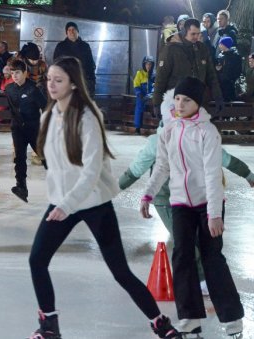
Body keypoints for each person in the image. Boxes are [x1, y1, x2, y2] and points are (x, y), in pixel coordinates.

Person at [28, 56, 180, 339]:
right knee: (37, 259)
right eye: (49, 78)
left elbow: (91, 170)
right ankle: (49, 325)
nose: (51, 84)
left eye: (58, 80)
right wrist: (60, 199)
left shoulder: (88, 117)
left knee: (120, 271)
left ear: (73, 83)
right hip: (63, 201)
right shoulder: (47, 116)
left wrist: (67, 205)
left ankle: (160, 322)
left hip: (93, 202)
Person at [120, 95, 254, 295]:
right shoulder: (159, 139)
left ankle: (200, 283)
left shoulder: (202, 134)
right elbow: (139, 167)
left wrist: (247, 173)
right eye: (175, 105)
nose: (179, 109)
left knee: (198, 242)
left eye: (184, 104)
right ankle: (199, 283)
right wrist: (118, 187)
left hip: (193, 198)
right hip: (164, 200)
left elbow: (223, 159)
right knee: (184, 243)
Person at [141, 77, 245, 337]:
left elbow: (212, 174)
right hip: (180, 203)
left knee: (212, 259)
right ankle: (189, 317)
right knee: (182, 257)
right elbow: (162, 166)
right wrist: (148, 195)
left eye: (186, 100)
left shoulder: (207, 132)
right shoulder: (169, 129)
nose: (180, 103)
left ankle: (232, 319)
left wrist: (214, 214)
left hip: (208, 203)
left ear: (198, 103)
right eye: (177, 98)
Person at [153, 19, 223, 116]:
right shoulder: (171, 49)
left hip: (198, 102)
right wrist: (156, 103)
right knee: (179, 130)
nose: (196, 37)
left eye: (198, 33)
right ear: (185, 32)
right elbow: (161, 77)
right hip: (177, 104)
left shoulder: (202, 49)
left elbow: (211, 75)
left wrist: (218, 97)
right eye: (193, 34)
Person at [4, 60, 47, 203]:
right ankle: (21, 187)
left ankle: (59, 182)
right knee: (20, 158)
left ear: (25, 73)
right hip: (18, 129)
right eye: (12, 73)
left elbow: (45, 107)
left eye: (17, 73)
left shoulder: (33, 89)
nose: (14, 76)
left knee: (45, 156)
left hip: (34, 128)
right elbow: (12, 109)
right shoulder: (9, 89)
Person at [53, 22, 96, 96]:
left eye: (73, 29)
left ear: (77, 31)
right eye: (69, 30)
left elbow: (90, 64)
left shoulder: (85, 46)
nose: (71, 32)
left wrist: (92, 81)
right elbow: (56, 64)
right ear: (66, 33)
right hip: (67, 81)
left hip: (83, 81)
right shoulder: (61, 46)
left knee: (82, 104)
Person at [132, 56, 155, 134]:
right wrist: (139, 93)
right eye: (147, 64)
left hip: (151, 95)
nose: (148, 66)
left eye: (150, 64)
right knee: (139, 107)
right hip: (142, 94)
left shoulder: (154, 74)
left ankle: (155, 125)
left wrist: (152, 93)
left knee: (156, 105)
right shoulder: (140, 73)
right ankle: (137, 128)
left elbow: (156, 85)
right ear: (144, 65)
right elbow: (136, 84)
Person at [216, 37, 242, 102]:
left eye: (221, 44)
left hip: (230, 82)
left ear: (225, 45)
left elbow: (237, 69)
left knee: (230, 100)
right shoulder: (220, 55)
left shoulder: (235, 56)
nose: (219, 45)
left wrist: (231, 79)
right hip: (221, 82)